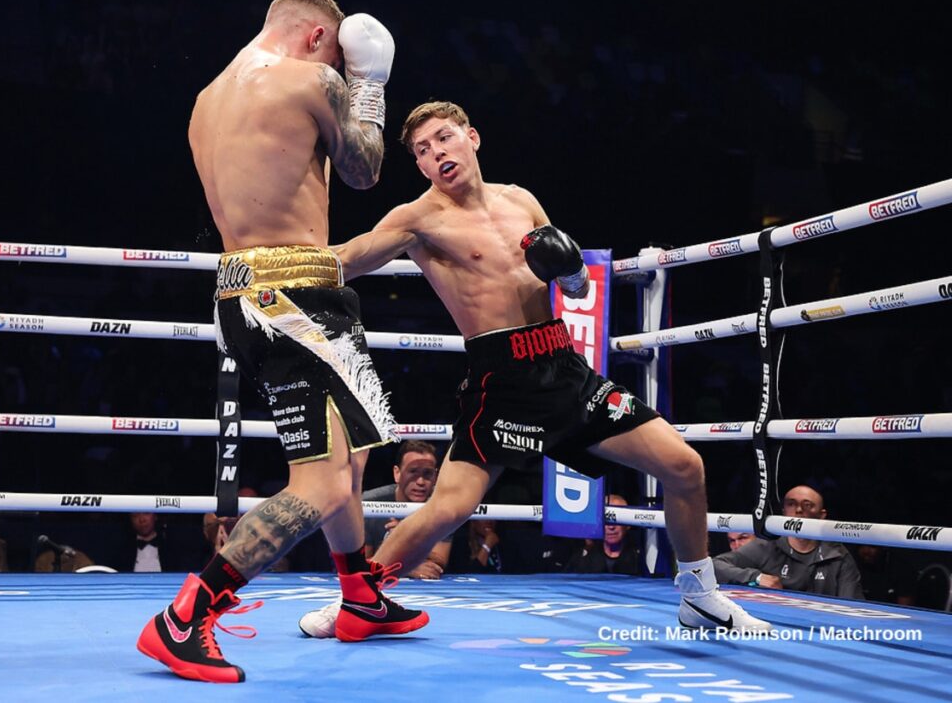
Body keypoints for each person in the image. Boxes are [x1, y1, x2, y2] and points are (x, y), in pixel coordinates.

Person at [300, 100, 770, 637]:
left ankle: (700, 597)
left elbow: (576, 285)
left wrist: (570, 273)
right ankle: (357, 603)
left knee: (684, 467)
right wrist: (279, 264)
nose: (437, 154)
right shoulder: (418, 219)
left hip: (563, 367)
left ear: (471, 138)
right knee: (448, 508)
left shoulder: (520, 199)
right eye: (424, 151)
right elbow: (350, 257)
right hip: (501, 381)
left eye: (444, 138)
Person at [137, 0, 425, 684]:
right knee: (323, 483)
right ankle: (184, 617)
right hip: (295, 295)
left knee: (352, 454)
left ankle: (360, 595)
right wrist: (370, 85)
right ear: (320, 38)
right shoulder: (314, 78)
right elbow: (363, 169)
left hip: (249, 290)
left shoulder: (206, 100)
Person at [713, 485, 864, 599]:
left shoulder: (838, 555)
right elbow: (715, 565)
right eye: (791, 504)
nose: (798, 509)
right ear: (784, 511)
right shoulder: (767, 546)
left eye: (807, 505)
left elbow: (853, 606)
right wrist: (756, 577)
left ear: (821, 514)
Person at [362, 440, 452, 578]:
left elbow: (439, 561)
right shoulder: (368, 503)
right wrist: (404, 568)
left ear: (436, 476)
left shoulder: (443, 504)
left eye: (427, 473)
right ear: (397, 473)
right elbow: (360, 564)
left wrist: (406, 536)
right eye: (413, 472)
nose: (421, 482)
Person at [566, 494, 642, 574]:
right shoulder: (583, 557)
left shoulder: (641, 557)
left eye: (616, 520)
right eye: (606, 521)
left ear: (628, 524)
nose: (611, 527)